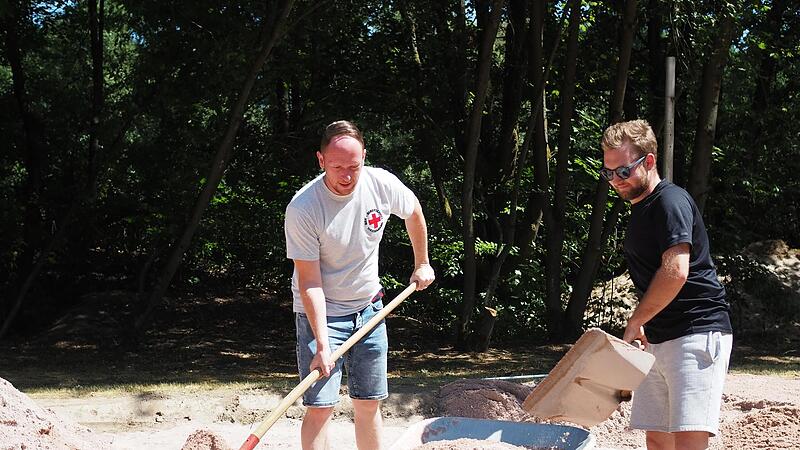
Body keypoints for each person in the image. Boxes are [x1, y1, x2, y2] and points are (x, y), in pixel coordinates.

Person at [284, 120, 435, 450]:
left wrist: (421, 262)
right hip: (322, 317)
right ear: (321, 161)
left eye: (354, 166)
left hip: (370, 311)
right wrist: (322, 344)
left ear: (364, 157)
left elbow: (413, 212)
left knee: (368, 404)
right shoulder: (303, 208)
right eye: (337, 167)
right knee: (320, 407)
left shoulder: (379, 184)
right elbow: (310, 282)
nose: (347, 176)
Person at [600, 120, 733, 450]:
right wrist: (649, 320)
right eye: (608, 173)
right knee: (658, 439)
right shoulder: (642, 209)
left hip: (696, 333)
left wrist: (636, 320)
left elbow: (675, 271)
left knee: (688, 441)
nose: (615, 180)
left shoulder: (669, 202)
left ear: (648, 161)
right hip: (661, 338)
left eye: (623, 171)